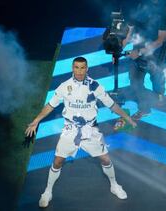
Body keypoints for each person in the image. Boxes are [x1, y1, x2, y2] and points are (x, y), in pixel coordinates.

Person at [25, 57, 137, 208]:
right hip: (70, 130)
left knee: (105, 159)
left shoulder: (95, 86)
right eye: (76, 67)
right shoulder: (64, 87)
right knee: (57, 161)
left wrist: (126, 117)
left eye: (82, 67)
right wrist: (36, 120)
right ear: (72, 68)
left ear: (87, 69)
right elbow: (50, 105)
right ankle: (47, 191)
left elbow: (111, 104)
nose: (79, 71)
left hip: (90, 130)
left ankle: (114, 185)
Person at [123, 0, 166, 120]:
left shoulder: (163, 15)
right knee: (135, 81)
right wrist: (120, 46)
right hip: (138, 52)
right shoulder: (135, 8)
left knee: (157, 79)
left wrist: (139, 52)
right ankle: (144, 109)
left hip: (157, 54)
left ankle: (159, 94)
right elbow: (129, 33)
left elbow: (160, 40)